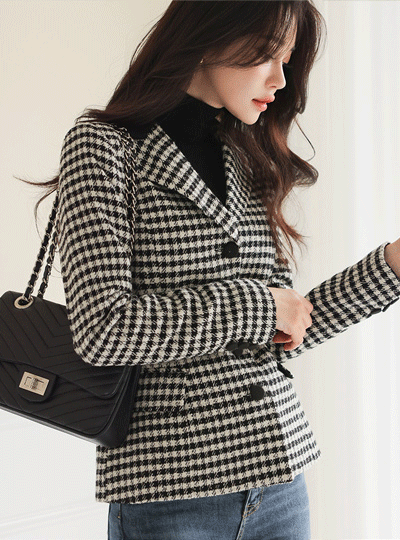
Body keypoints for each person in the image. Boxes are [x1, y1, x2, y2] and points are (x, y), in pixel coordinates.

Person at [21, 1, 400, 539]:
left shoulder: (245, 155)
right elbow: (102, 331)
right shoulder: (103, 145)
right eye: (266, 55)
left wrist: (391, 267)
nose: (279, 79)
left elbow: (283, 328)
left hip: (279, 484)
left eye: (288, 60)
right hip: (170, 494)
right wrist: (259, 305)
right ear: (207, 37)